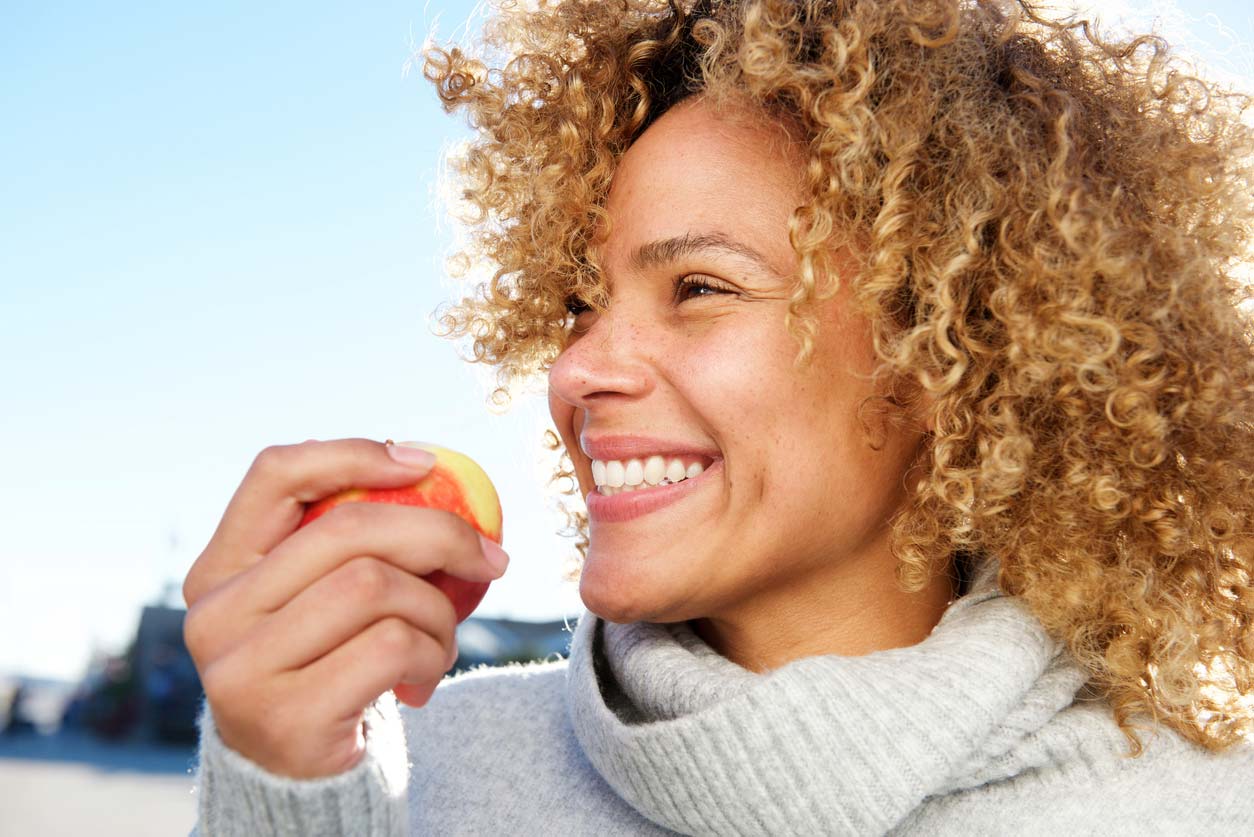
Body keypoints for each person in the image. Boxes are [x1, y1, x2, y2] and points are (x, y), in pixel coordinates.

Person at [183, 1, 1254, 833]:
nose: (580, 372)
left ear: (956, 349)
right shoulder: (421, 771)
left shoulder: (1206, 810)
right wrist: (283, 795)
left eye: (699, 288)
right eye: (577, 304)